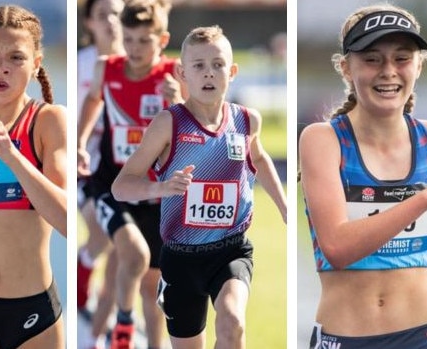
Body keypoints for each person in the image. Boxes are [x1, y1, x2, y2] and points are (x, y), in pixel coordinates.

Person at [112, 25, 287, 349]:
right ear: (182, 74)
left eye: (218, 65)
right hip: (181, 258)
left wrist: (285, 207)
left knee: (233, 320)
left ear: (232, 72)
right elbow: (122, 186)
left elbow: (259, 160)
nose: (209, 74)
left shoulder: (247, 121)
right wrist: (161, 189)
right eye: (199, 66)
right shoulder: (169, 123)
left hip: (231, 249)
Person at [299, 4, 427, 349]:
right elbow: (338, 248)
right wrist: (422, 200)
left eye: (402, 58)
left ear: (419, 65)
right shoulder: (322, 140)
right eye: (372, 59)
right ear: (345, 68)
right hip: (347, 338)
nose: (388, 71)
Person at [77, 0, 184, 348]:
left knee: (151, 290)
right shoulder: (107, 68)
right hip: (111, 186)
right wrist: (79, 142)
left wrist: (178, 102)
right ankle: (122, 326)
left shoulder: (174, 75)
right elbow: (93, 102)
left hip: (154, 193)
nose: (134, 48)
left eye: (143, 40)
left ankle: (116, 332)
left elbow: (190, 132)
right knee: (132, 254)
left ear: (162, 39)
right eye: (129, 39)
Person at [0, 4, 67, 349]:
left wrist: (11, 155)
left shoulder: (48, 121)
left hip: (35, 315)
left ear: (36, 64)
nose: (1, 67)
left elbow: (66, 221)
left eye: (16, 57)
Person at [76, 0, 125, 347]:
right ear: (89, 22)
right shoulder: (81, 65)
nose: (112, 21)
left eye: (118, 13)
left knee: (126, 253)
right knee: (104, 231)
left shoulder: (142, 62)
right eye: (103, 14)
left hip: (131, 173)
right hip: (87, 169)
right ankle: (80, 279)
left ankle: (108, 323)